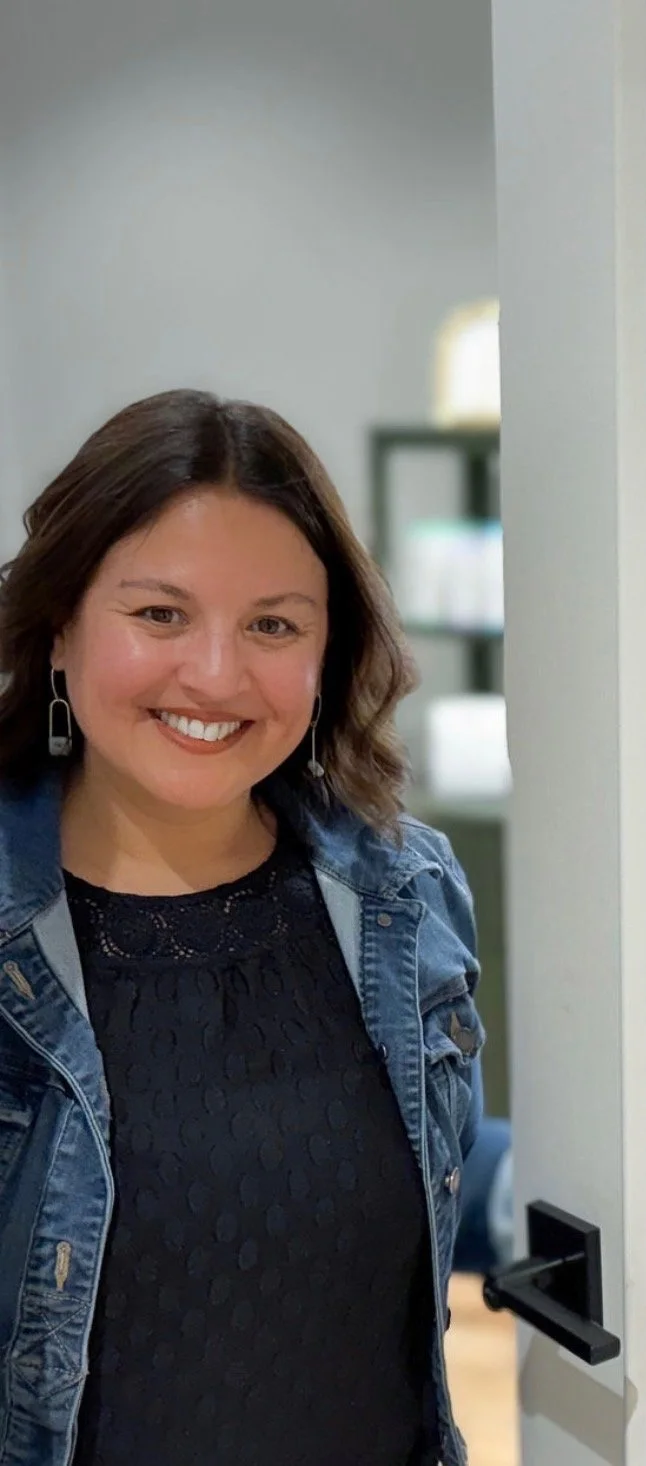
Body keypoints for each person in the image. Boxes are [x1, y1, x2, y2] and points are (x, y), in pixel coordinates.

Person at [0, 389, 486, 1466]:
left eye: (273, 624)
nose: (216, 676)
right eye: (160, 613)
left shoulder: (406, 891)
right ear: (60, 626)